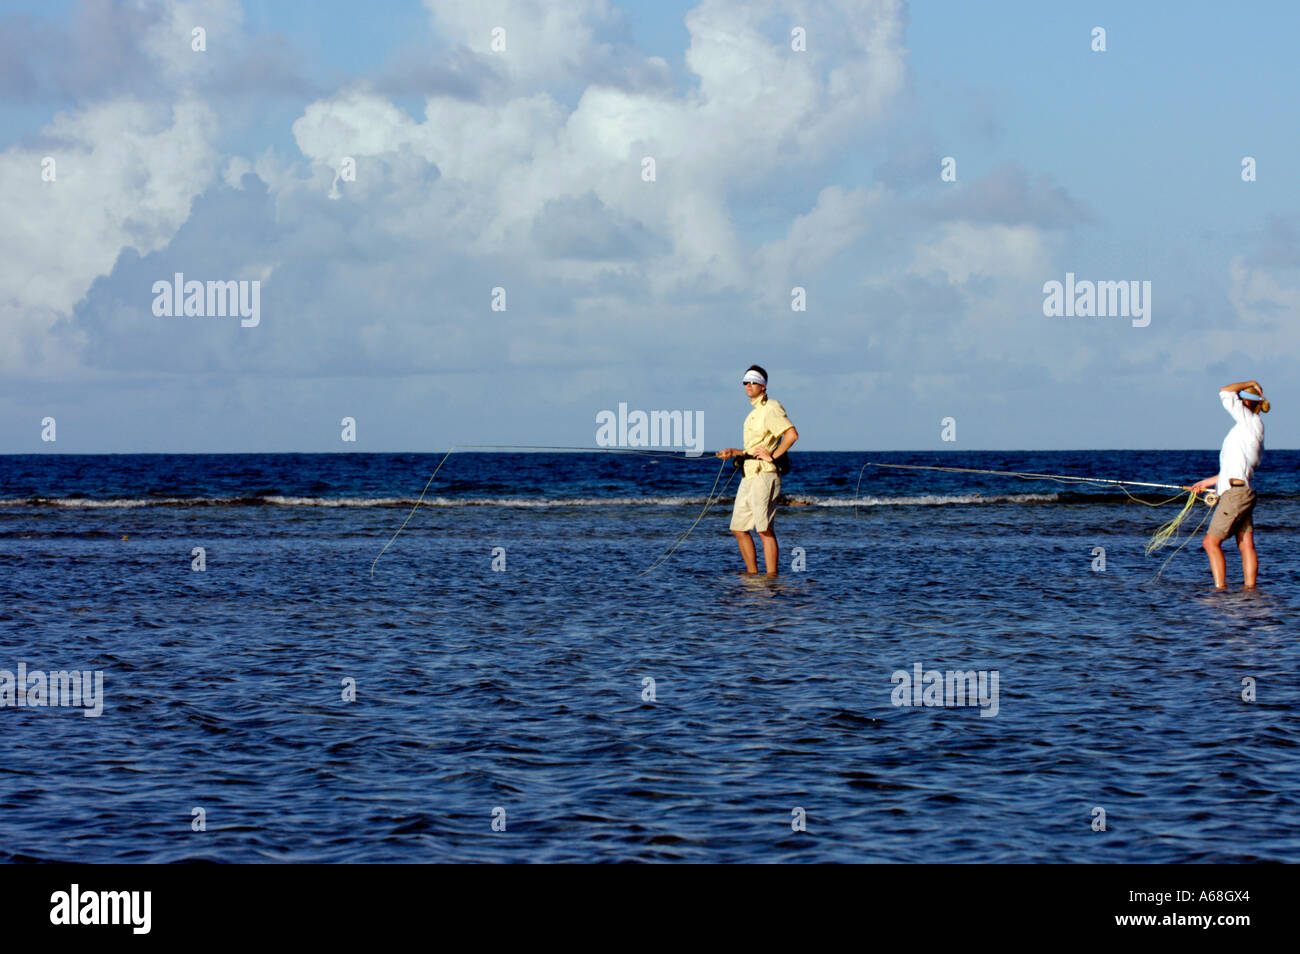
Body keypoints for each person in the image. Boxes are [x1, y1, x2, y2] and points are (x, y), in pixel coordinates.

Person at [716, 365, 798, 575]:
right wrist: (735, 452)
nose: (749, 385)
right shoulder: (753, 414)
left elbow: (791, 435)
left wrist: (774, 456)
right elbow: (753, 448)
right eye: (746, 382)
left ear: (763, 385)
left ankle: (771, 577)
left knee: (763, 529)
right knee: (738, 527)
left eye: (754, 381)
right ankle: (752, 575)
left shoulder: (771, 407)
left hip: (765, 474)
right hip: (748, 473)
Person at [1187, 380, 1269, 589]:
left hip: (1236, 494)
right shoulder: (1252, 429)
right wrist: (1206, 482)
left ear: (1246, 404)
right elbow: (1235, 468)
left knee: (1210, 542)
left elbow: (1224, 391)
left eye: (1241, 399)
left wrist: (1250, 383)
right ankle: (1250, 589)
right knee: (1245, 543)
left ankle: (1219, 589)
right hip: (1244, 492)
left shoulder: (1247, 421)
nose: (1237, 402)